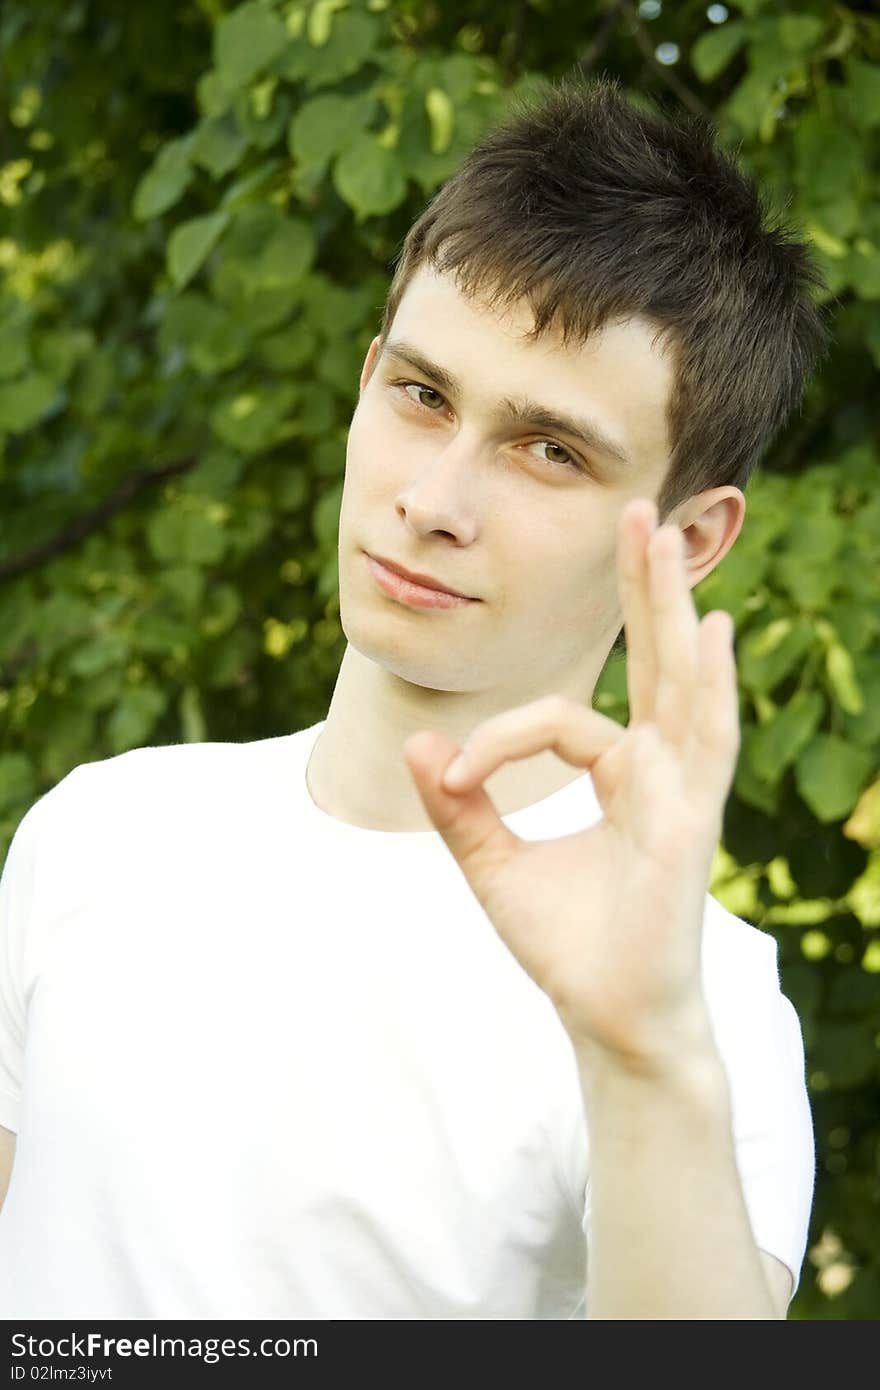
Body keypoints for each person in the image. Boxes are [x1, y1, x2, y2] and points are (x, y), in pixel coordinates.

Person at [0, 74, 829, 1319]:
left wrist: (638, 1057)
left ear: (693, 536)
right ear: (365, 378)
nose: (433, 498)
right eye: (422, 394)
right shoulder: (94, 830)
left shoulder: (692, 1002)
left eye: (549, 449)